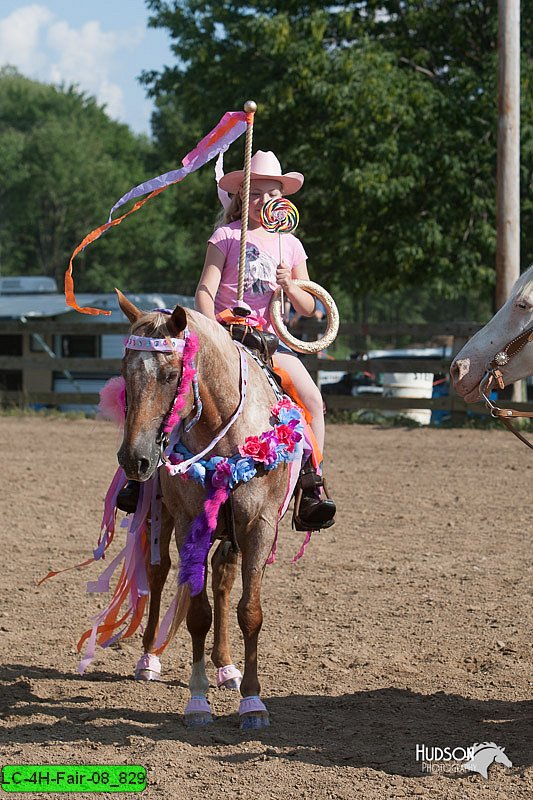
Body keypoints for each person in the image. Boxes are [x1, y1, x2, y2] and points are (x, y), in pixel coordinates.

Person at [195, 150, 336, 530]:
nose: (262, 201)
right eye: (254, 193)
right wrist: (213, 335)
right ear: (241, 196)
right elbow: (204, 292)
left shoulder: (289, 245)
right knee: (172, 391)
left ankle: (311, 484)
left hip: (270, 343)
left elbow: (307, 306)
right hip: (227, 337)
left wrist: (289, 284)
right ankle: (143, 481)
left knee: (313, 401)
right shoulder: (225, 236)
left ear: (282, 199)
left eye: (270, 194)